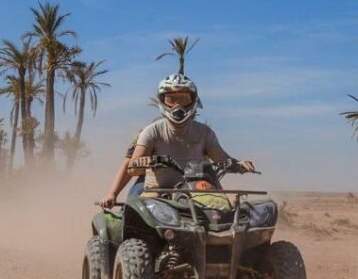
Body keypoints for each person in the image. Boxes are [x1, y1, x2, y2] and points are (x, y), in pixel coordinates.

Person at [101, 73, 254, 207]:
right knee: (135, 217)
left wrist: (238, 165)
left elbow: (222, 159)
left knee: (224, 209)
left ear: (193, 100)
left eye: (183, 99)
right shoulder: (150, 131)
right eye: (171, 99)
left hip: (198, 190)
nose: (177, 105)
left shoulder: (204, 132)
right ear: (162, 101)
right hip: (158, 191)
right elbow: (131, 165)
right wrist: (113, 192)